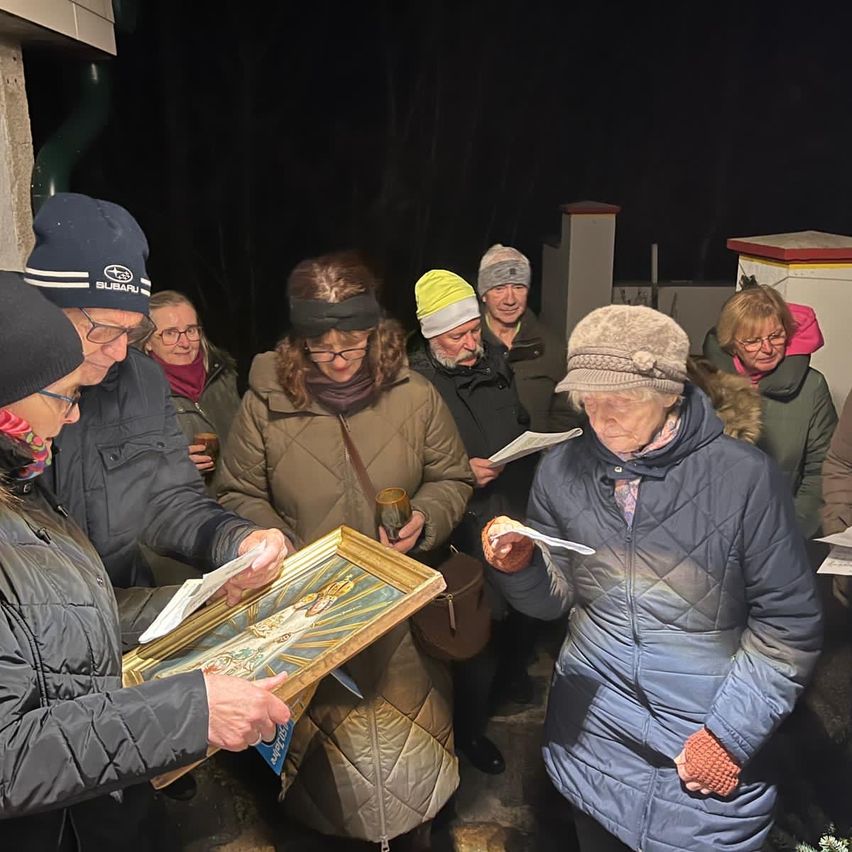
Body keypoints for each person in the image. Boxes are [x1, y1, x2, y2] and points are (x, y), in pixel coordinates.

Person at [483, 304, 822, 852]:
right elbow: (555, 600)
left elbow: (787, 626)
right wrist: (521, 566)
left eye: (619, 400)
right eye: (588, 401)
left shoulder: (744, 479)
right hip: (593, 741)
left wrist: (728, 736)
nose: (600, 419)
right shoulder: (561, 469)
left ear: (669, 394)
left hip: (700, 744)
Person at [0, 271, 292, 850]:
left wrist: (197, 600)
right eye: (66, 395)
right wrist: (190, 713)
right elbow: (9, 755)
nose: (75, 416)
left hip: (98, 813)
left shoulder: (23, 490)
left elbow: (65, 623)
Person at [216, 252, 472, 849]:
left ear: (374, 331)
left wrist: (425, 520)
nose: (337, 358)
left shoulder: (415, 395)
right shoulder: (265, 404)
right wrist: (275, 541)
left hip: (401, 617)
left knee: (411, 760)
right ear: (298, 342)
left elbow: (452, 477)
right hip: (310, 617)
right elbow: (236, 492)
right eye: (321, 347)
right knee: (327, 772)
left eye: (351, 343)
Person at [24, 193, 290, 597]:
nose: (119, 352)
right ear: (47, 313)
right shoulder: (12, 390)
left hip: (128, 600)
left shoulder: (141, 380)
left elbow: (168, 499)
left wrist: (234, 541)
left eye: (131, 331)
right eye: (103, 329)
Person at [408, 269, 540, 775]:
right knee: (474, 632)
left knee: (519, 612)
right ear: (431, 337)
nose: (471, 344)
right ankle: (467, 733)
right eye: (457, 336)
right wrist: (460, 471)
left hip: (512, 508)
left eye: (472, 332)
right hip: (459, 526)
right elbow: (406, 464)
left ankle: (504, 690)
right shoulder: (415, 385)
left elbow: (515, 418)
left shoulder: (495, 361)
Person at [703, 282, 837, 537]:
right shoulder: (704, 385)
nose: (767, 348)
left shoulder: (812, 386)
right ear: (731, 344)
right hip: (710, 531)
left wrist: (789, 529)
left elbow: (822, 469)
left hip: (784, 529)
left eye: (776, 336)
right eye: (752, 341)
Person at [143, 289, 241, 489]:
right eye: (170, 333)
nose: (185, 343)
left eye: (191, 330)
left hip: (239, 501)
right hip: (182, 503)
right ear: (148, 341)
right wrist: (167, 469)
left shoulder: (226, 378)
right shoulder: (138, 393)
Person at [478, 243, 577, 432]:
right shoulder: (465, 344)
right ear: (484, 295)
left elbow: (568, 412)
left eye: (518, 287)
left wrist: (550, 445)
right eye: (499, 288)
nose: (510, 300)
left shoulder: (552, 347)